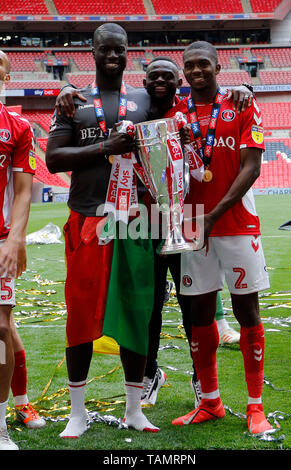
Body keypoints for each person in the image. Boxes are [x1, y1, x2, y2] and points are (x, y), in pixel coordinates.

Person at [55, 54, 251, 410]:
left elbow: (219, 95)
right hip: (145, 217)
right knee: (150, 301)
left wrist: (244, 86)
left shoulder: (185, 106)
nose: (159, 82)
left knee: (194, 302)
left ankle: (200, 379)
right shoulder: (137, 105)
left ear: (179, 82)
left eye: (167, 77)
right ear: (142, 81)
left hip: (186, 213)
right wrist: (66, 88)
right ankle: (149, 374)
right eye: (152, 77)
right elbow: (96, 100)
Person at [46, 23, 159, 438]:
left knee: (135, 312)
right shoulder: (73, 100)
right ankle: (77, 413)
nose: (113, 57)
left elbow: (185, 117)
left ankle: (134, 409)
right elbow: (54, 159)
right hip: (88, 219)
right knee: (80, 315)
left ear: (129, 53)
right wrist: (102, 148)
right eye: (105, 50)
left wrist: (245, 92)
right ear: (92, 52)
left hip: (134, 221)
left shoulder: (148, 99)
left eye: (120, 50)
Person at [165, 41, 273, 435]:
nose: (196, 71)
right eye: (189, 66)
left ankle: (255, 407)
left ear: (217, 65)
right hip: (194, 226)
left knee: (247, 313)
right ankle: (210, 402)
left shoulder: (243, 104)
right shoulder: (175, 115)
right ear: (184, 71)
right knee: (199, 315)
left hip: (237, 224)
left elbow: (252, 168)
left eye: (203, 64)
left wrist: (213, 214)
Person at [0, 50, 40, 450]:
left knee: (0, 327)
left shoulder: (17, 126)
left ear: (8, 75)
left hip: (0, 240)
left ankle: (4, 422)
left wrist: (16, 238)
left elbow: (25, 189)